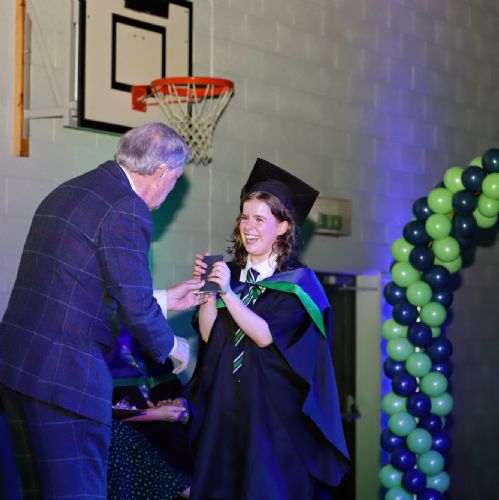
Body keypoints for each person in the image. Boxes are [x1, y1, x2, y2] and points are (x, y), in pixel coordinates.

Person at [0, 122, 206, 498]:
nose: (171, 188)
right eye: (176, 179)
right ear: (162, 173)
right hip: (66, 377)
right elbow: (134, 307)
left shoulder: (73, 190)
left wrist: (163, 298)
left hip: (20, 370)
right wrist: (175, 347)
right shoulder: (127, 207)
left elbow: (77, 285)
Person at [188, 158, 350, 500]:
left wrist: (228, 294)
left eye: (260, 219)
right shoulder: (229, 274)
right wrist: (208, 294)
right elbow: (207, 335)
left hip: (271, 415)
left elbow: (263, 336)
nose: (248, 227)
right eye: (244, 217)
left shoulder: (299, 284)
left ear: (283, 227)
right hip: (224, 409)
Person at [107, 328, 193, 499]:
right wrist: (152, 414)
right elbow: (103, 411)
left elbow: (172, 386)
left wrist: (178, 403)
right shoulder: (100, 355)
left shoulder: (151, 342)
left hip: (168, 432)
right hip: (128, 439)